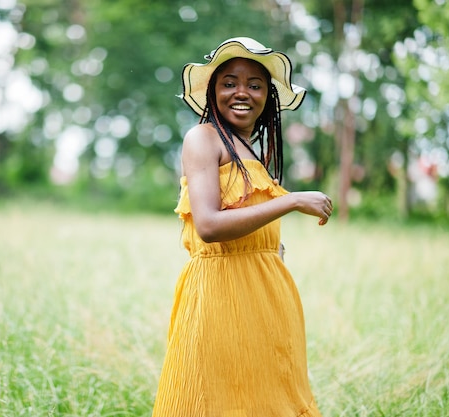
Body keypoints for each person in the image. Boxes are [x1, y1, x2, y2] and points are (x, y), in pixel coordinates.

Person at [151, 37, 332, 417]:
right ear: (213, 90)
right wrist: (293, 200)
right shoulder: (202, 138)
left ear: (269, 96)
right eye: (229, 82)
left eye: (255, 85)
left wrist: (271, 251)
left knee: (264, 401)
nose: (242, 92)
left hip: (265, 299)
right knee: (213, 401)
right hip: (220, 299)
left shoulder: (250, 150)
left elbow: (249, 223)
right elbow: (209, 225)